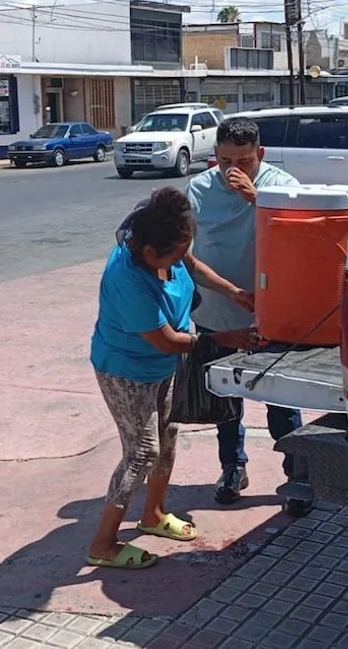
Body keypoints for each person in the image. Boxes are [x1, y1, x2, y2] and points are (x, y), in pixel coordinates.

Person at [86, 187, 254, 569]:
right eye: (176, 253)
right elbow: (165, 340)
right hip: (125, 370)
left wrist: (234, 292)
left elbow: (191, 266)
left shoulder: (168, 245)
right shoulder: (127, 278)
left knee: (168, 435)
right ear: (149, 252)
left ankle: (154, 514)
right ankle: (102, 544)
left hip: (162, 366)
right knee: (142, 451)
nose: (182, 257)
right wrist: (223, 339)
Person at [186, 118, 313, 516]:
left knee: (281, 401)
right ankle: (232, 468)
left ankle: (297, 477)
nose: (233, 170)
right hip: (217, 312)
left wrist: (256, 198)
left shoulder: (282, 186)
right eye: (225, 161)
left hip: (272, 315)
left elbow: (302, 239)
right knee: (224, 400)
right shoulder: (199, 188)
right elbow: (186, 253)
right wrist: (227, 291)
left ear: (260, 154)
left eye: (243, 161)